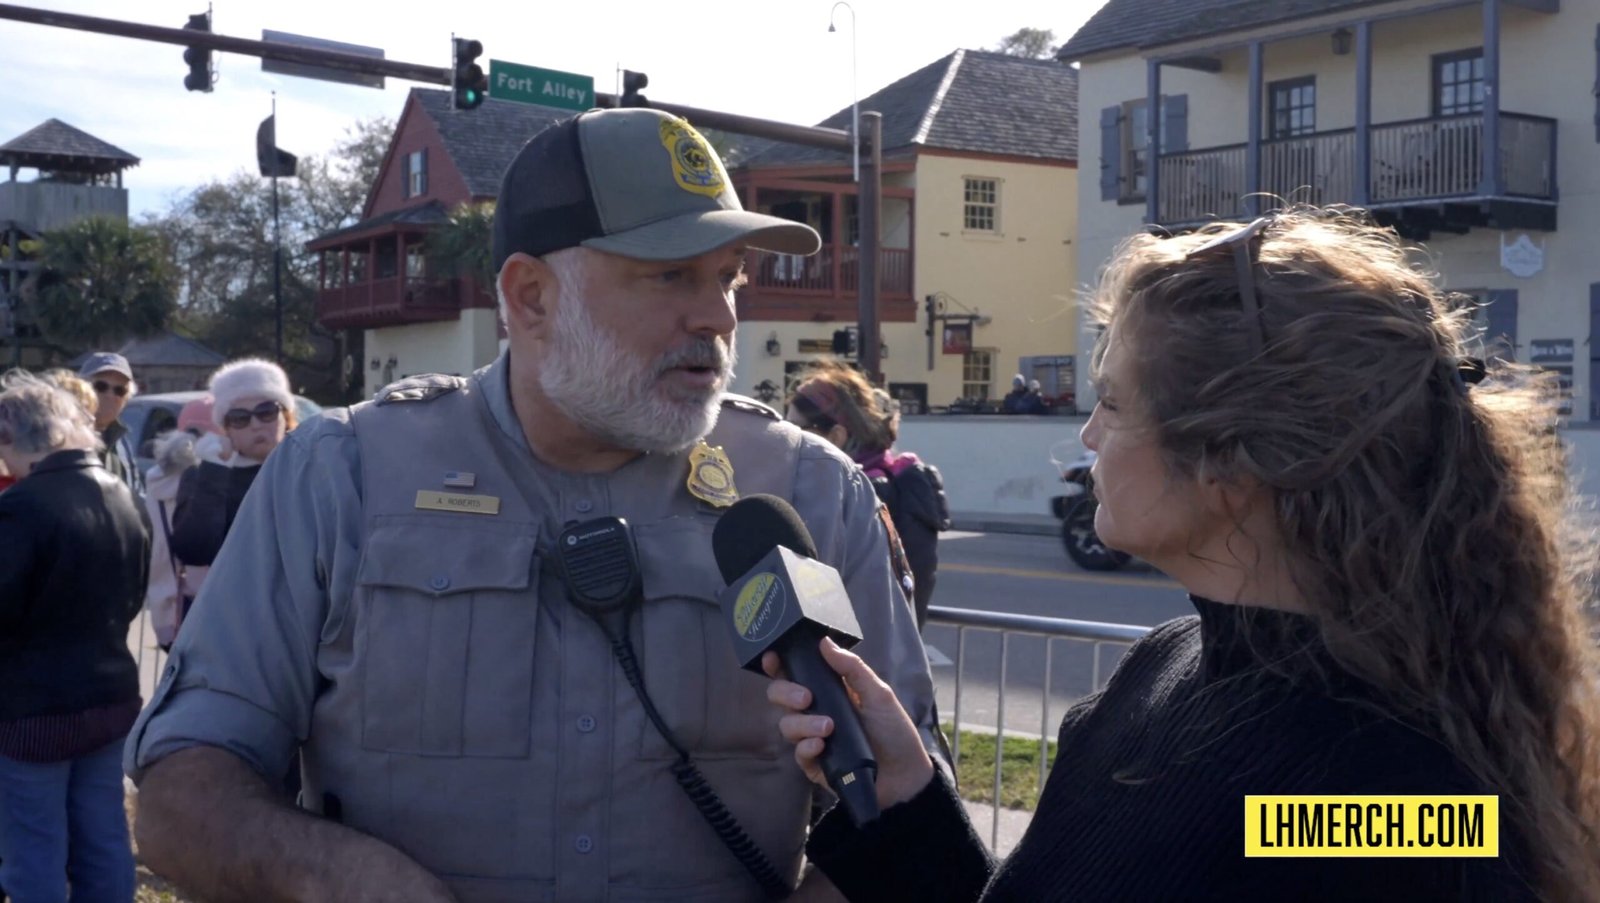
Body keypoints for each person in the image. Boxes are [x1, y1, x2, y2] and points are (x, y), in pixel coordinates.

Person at [125, 107, 945, 902]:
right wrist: (334, 875)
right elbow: (180, 786)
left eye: (728, 278)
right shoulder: (340, 475)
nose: (718, 316)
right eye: (670, 275)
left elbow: (916, 805)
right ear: (530, 297)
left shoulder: (810, 493)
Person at [765, 208, 1600, 902]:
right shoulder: (1163, 665)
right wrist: (907, 789)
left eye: (1115, 404)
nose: (1088, 436)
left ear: (1233, 464)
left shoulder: (1386, 794)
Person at [0, 371, 148, 902]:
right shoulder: (123, 496)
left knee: (35, 846)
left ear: (9, 437)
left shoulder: (20, 508)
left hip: (34, 708)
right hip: (110, 694)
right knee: (104, 836)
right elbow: (133, 598)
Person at [787, 361, 951, 629]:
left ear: (836, 436)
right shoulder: (890, 481)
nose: (787, 439)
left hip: (853, 659)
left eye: (795, 429)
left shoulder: (860, 494)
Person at [77, 352, 145, 500]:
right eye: (101, 386)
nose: (110, 395)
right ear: (81, 391)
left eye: (119, 390)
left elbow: (135, 495)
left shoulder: (122, 441)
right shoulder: (64, 436)